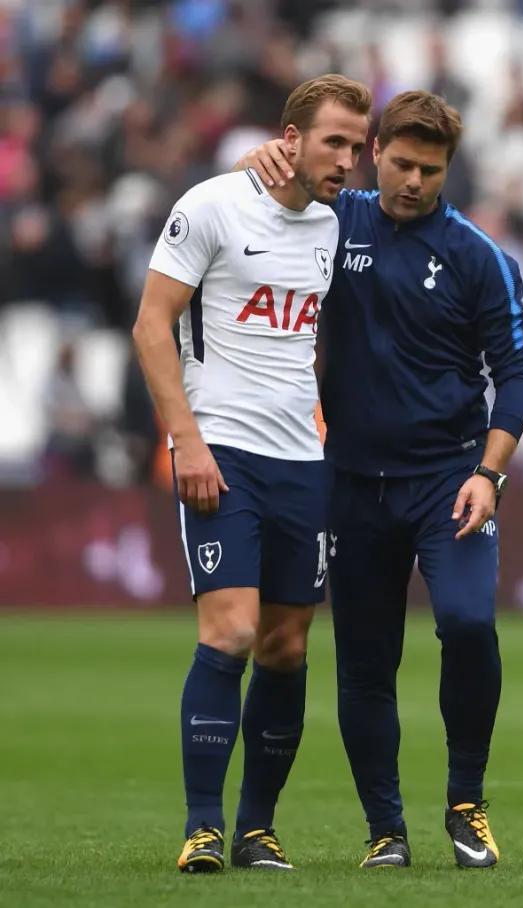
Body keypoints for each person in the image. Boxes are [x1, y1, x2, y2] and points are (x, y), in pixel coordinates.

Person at [239, 90, 523, 870]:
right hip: (351, 484)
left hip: (449, 481)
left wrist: (490, 474)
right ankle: (386, 830)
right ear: (374, 153)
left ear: (448, 169)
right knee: (366, 663)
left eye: (429, 171)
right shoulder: (334, 221)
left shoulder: (479, 256)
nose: (412, 181)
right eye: (401, 164)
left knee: (467, 625)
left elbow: (516, 373)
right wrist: (255, 160)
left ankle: (466, 804)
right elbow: (253, 203)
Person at [132, 74, 371, 874]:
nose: (346, 159)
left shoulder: (334, 225)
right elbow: (151, 326)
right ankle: (202, 826)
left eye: (356, 146)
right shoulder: (210, 206)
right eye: (333, 141)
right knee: (230, 631)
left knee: (286, 646)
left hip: (302, 460)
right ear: (290, 138)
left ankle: (256, 830)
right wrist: (186, 442)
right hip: (221, 450)